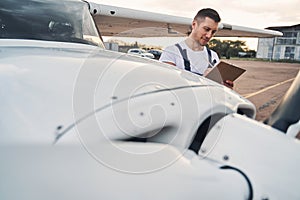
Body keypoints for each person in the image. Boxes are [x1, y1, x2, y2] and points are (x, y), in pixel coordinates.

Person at [159, 8, 233, 88]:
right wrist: (203, 80)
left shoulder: (213, 56)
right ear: (194, 24)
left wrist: (225, 87)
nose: (209, 35)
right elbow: (166, 85)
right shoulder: (171, 52)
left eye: (213, 32)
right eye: (206, 29)